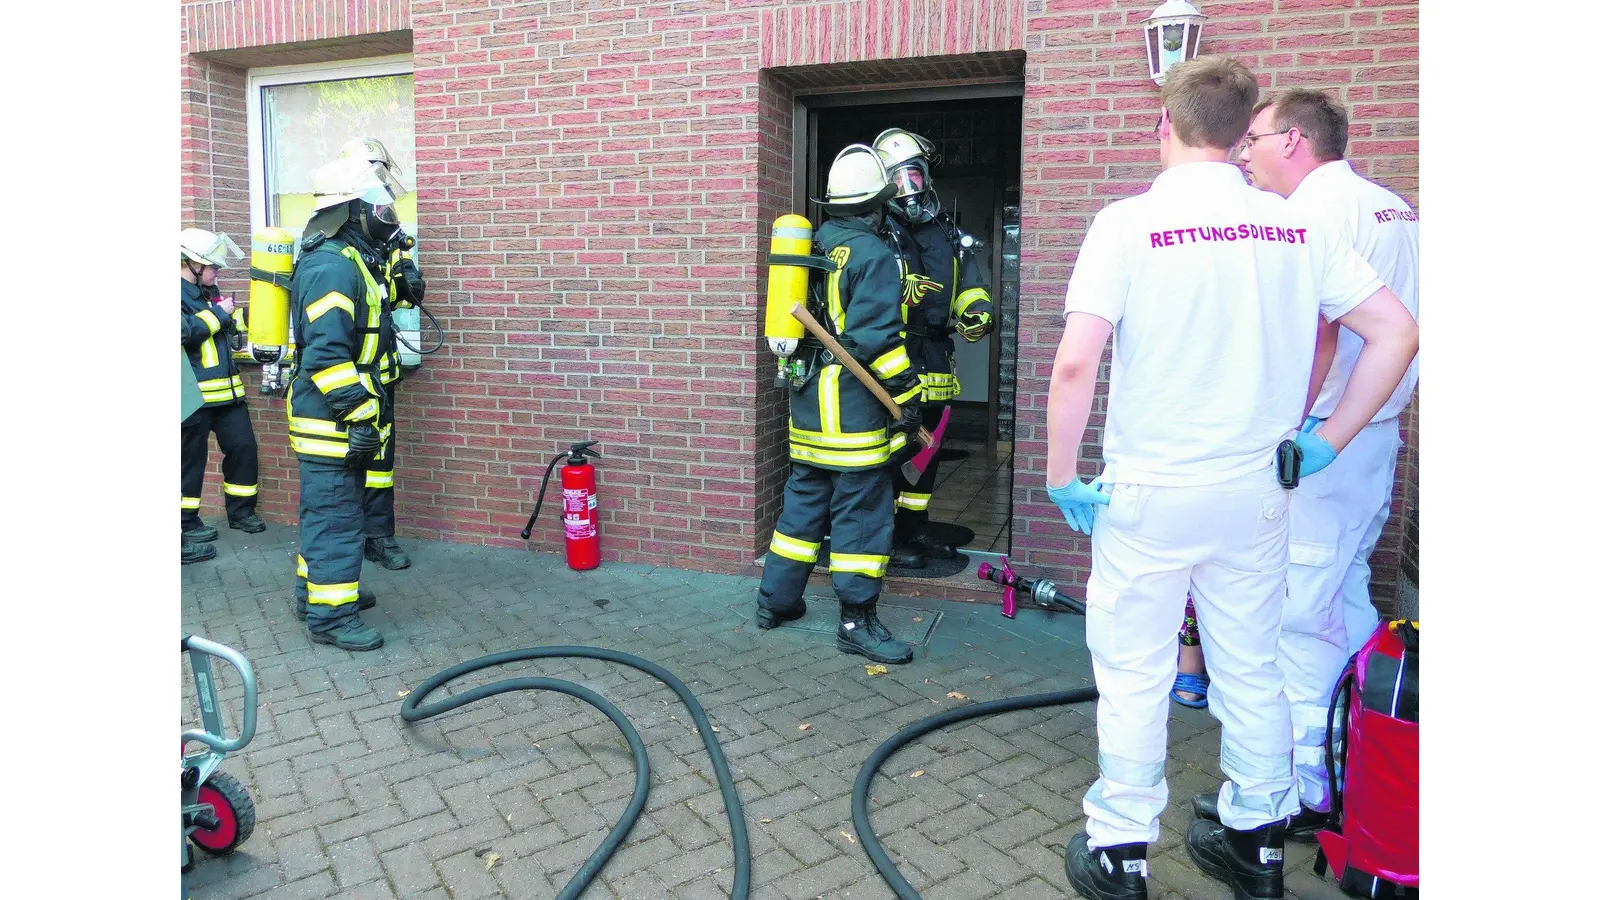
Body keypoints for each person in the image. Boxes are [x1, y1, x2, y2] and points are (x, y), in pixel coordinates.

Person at [1044, 57, 1418, 900]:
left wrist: (1063, 476)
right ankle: (1256, 842)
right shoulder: (1298, 226)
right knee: (1251, 664)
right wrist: (1328, 437)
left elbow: (1076, 367)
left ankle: (1119, 849)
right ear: (1241, 128)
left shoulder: (1127, 223)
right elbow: (1396, 333)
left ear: (1164, 125)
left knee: (1136, 670)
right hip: (1257, 496)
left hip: (1149, 495)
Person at [1184, 87, 1421, 843]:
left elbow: (1316, 333)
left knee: (1295, 615)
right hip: (1373, 436)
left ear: (1293, 140)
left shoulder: (1315, 214)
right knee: (1344, 596)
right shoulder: (1392, 206)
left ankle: (1296, 791)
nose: (1244, 154)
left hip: (1322, 439)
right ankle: (1353, 761)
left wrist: (1281, 425)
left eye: (1253, 139)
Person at [754, 144, 925, 665]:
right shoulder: (874, 256)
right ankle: (856, 622)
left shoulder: (814, 244)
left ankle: (775, 603)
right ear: (875, 205)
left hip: (807, 404)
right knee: (862, 515)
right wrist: (911, 396)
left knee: (803, 503)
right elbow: (879, 344)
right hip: (852, 412)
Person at [285, 153, 411, 651]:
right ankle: (333, 619)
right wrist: (360, 415)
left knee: (327, 515)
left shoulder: (352, 260)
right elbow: (327, 355)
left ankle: (312, 596)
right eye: (376, 206)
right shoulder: (332, 267)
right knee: (337, 519)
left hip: (336, 420)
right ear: (351, 212)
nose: (386, 215)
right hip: (331, 421)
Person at [871, 128, 995, 568]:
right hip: (893, 363)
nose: (910, 190)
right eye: (899, 181)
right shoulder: (877, 233)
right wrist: (898, 295)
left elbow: (970, 283)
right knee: (891, 454)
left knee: (927, 453)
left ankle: (912, 531)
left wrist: (976, 312)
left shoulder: (946, 232)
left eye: (915, 178)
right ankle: (882, 538)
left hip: (938, 364)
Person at [339, 138, 422, 572]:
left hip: (383, 375)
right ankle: (348, 544)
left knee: (381, 465)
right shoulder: (333, 246)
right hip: (349, 384)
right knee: (347, 468)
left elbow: (385, 304)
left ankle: (379, 537)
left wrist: (406, 286)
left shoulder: (375, 240)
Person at [180, 227, 266, 563]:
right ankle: (186, 523)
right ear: (192, 263)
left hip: (228, 394)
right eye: (213, 266)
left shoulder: (207, 290)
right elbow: (184, 332)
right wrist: (219, 315)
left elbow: (224, 331)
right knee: (190, 462)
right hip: (195, 396)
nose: (218, 272)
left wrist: (235, 325)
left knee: (244, 448)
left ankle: (241, 513)